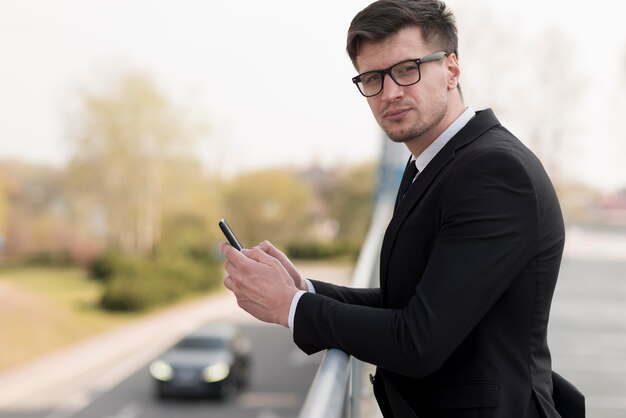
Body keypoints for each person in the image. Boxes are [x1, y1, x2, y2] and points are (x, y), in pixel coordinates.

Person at [220, 0, 584, 416]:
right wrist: (304, 289)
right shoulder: (431, 164)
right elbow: (414, 302)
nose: (389, 92)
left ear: (451, 70)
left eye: (407, 69)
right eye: (373, 78)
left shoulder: (493, 171)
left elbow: (418, 341)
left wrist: (291, 308)